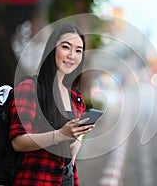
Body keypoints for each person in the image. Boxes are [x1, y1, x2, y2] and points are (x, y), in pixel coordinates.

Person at [9, 24, 95, 186]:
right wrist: (60, 134)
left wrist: (78, 138)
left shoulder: (75, 97)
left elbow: (72, 136)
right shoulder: (30, 88)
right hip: (35, 179)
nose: (72, 55)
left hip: (67, 178)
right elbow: (18, 142)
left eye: (78, 51)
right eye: (65, 47)